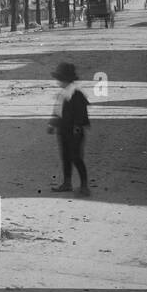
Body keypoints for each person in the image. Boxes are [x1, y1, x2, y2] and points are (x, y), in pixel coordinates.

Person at [48, 61, 91, 195]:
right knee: (65, 157)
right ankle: (67, 183)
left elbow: (81, 113)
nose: (57, 82)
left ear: (65, 80)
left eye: (59, 79)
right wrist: (52, 124)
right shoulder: (62, 94)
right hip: (63, 131)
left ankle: (84, 185)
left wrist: (78, 127)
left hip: (74, 132)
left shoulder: (76, 94)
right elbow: (57, 111)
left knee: (76, 157)